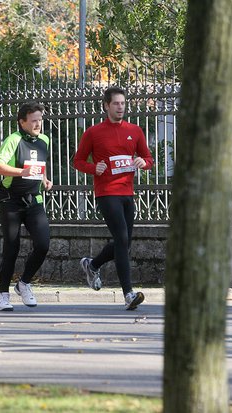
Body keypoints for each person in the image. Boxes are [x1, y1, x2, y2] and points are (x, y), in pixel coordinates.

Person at [73, 86, 154, 310]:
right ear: (106, 105)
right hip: (107, 192)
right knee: (121, 237)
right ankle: (128, 293)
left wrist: (142, 163)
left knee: (124, 243)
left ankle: (92, 264)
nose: (120, 107)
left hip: (127, 192)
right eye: (116, 104)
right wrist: (93, 168)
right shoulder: (93, 132)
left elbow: (148, 158)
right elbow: (77, 161)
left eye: (123, 103)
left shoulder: (135, 130)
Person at [0, 102, 53, 311]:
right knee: (12, 248)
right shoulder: (14, 140)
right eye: (34, 120)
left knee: (43, 244)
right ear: (22, 122)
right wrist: (21, 173)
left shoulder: (44, 140)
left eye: (40, 120)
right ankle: (2, 295)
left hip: (34, 201)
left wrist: (44, 179)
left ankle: (23, 283)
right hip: (11, 201)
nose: (38, 124)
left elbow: (39, 164)